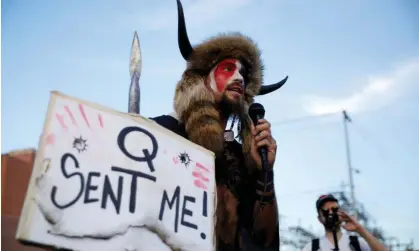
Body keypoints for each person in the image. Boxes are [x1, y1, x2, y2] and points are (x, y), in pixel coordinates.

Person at [149, 0, 289, 250]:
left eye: (243, 75)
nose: (239, 78)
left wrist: (265, 172)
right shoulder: (163, 132)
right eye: (227, 68)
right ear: (202, 79)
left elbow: (264, 241)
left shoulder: (245, 155)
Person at [301, 194, 388, 251]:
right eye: (326, 211)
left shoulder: (356, 243)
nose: (331, 213)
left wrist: (360, 229)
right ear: (319, 219)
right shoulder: (312, 247)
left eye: (335, 209)